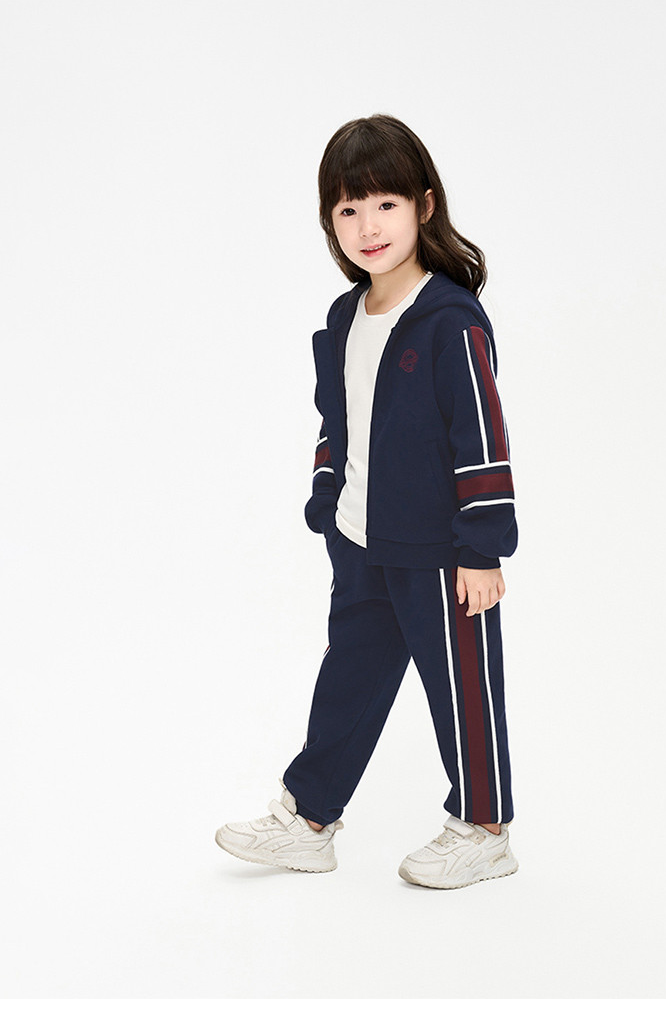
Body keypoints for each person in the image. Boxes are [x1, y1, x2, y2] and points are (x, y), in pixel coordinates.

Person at [216, 113, 520, 889]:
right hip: (360, 542)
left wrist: (482, 546)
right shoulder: (344, 317)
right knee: (348, 680)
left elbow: (481, 432)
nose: (368, 226)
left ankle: (485, 829)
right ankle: (310, 820)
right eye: (348, 209)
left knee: (462, 688)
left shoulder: (449, 319)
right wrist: (327, 502)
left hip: (441, 552)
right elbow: (337, 419)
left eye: (385, 204)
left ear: (424, 205)